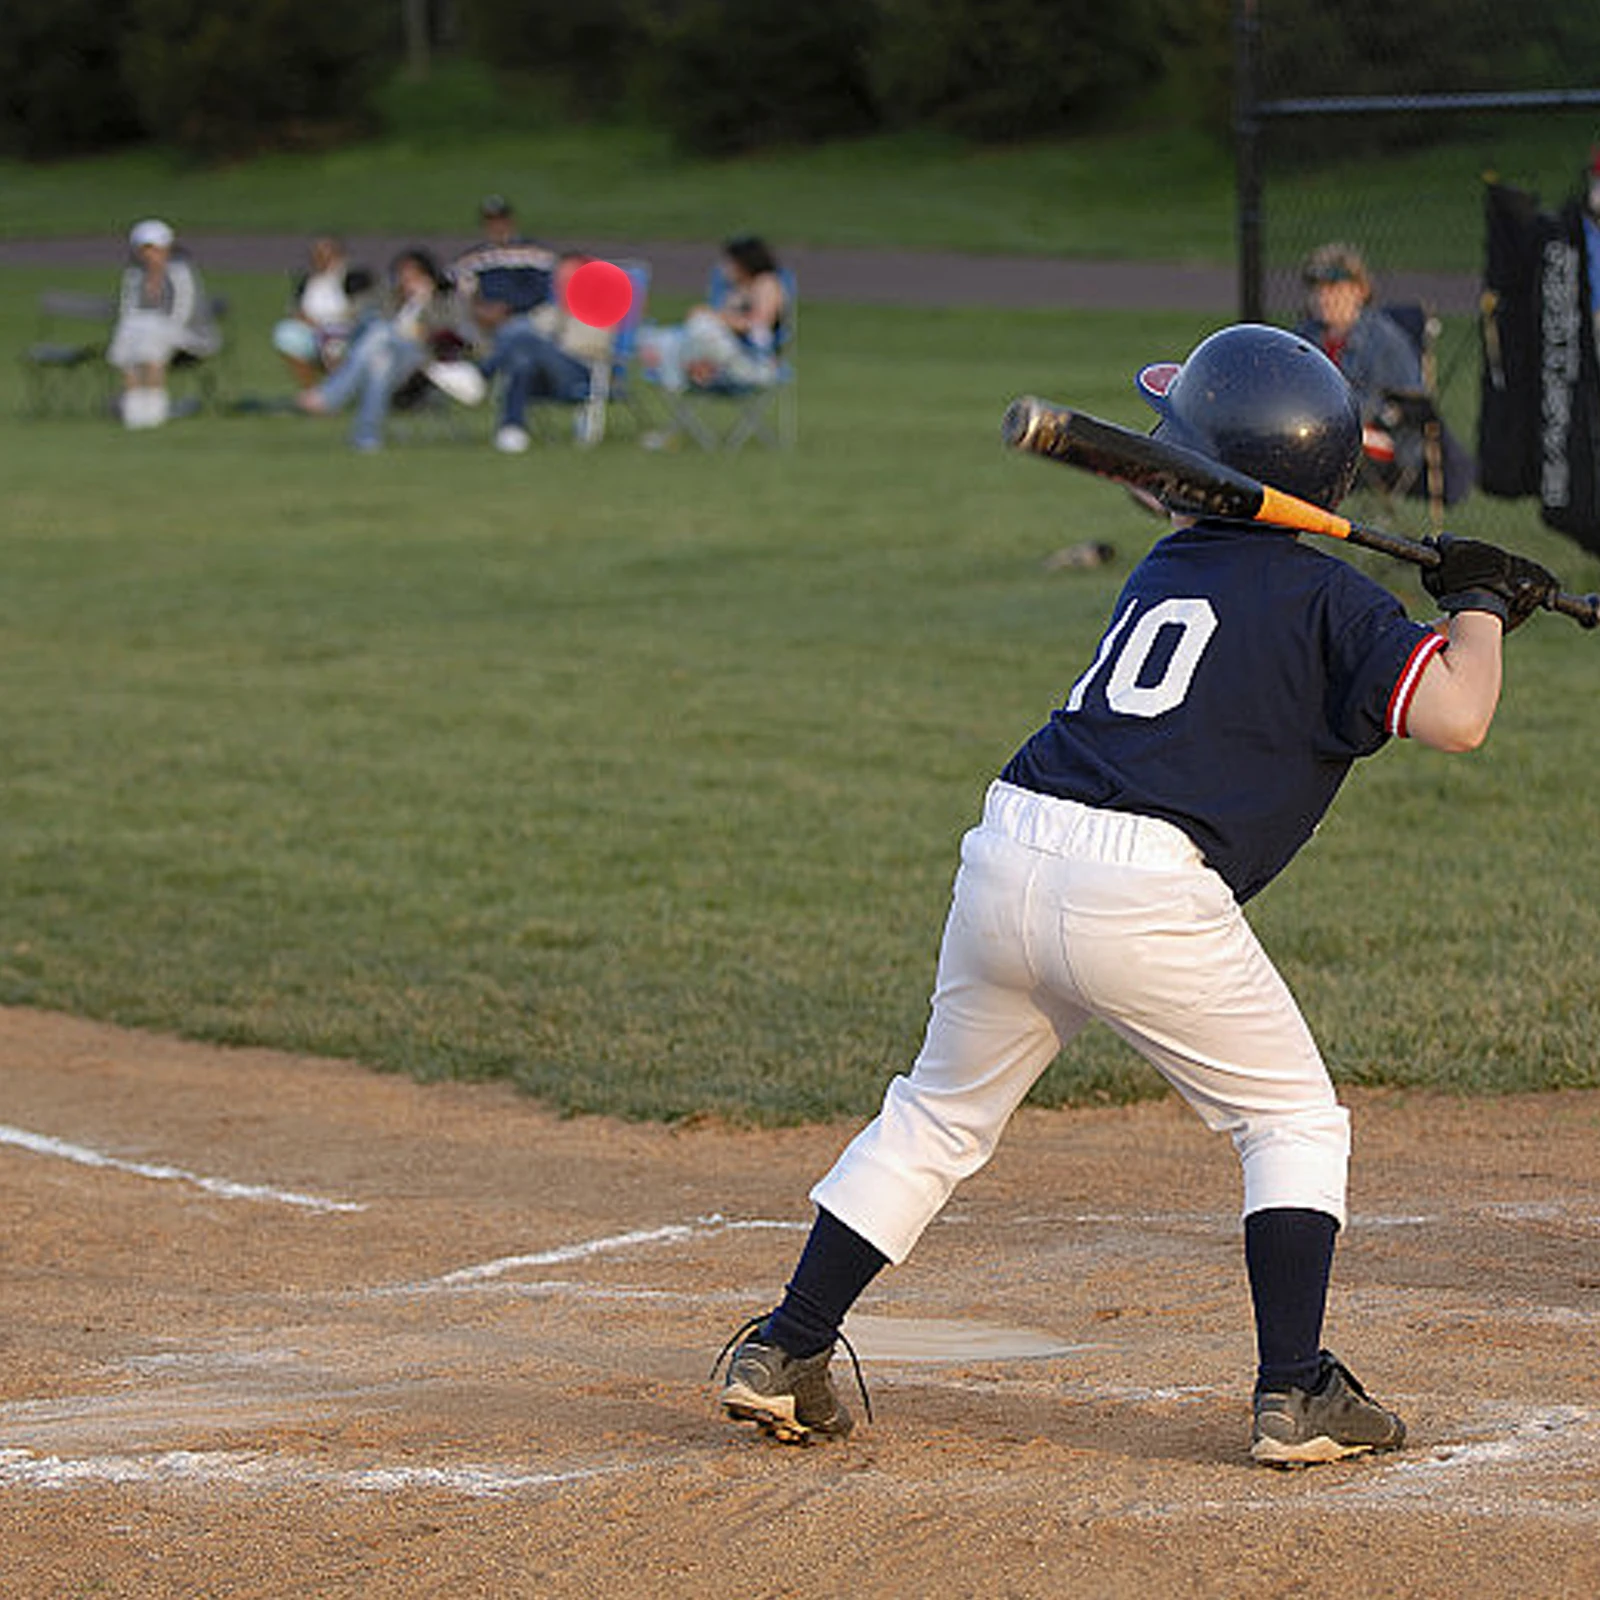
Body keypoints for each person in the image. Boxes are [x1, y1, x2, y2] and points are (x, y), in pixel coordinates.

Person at [715, 323, 1559, 1467]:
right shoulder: (1332, 602)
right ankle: (1296, 1388)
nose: (1160, 467)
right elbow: (1458, 713)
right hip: (1143, 889)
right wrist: (1482, 607)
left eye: (1180, 451)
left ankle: (787, 1344)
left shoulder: (1176, 567)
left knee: (936, 1111)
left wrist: (1450, 598)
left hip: (1013, 842)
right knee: (1292, 1120)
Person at [1294, 241, 1471, 506]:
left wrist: (1342, 417)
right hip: (1316, 431)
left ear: (1359, 291)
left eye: (1334, 289)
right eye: (1316, 290)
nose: (1323, 298)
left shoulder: (1385, 339)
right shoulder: (1305, 336)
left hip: (1382, 443)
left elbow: (1411, 403)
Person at [295, 248, 463, 452]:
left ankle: (331, 396)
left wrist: (423, 301)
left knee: (381, 332)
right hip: (390, 361)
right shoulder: (390, 297)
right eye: (403, 275)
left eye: (413, 274)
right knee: (380, 361)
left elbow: (449, 333)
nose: (406, 279)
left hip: (421, 363)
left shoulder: (442, 301)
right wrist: (402, 301)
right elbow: (356, 312)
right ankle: (366, 439)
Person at [480, 252, 618, 453]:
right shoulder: (550, 312)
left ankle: (479, 375)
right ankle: (512, 429)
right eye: (560, 279)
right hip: (546, 378)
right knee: (522, 361)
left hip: (581, 375)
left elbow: (593, 348)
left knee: (526, 338)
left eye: (570, 278)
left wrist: (547, 345)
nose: (563, 284)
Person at [106, 219, 223, 430]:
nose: (150, 255)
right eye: (145, 250)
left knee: (151, 343)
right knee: (131, 340)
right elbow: (128, 309)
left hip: (187, 336)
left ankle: (153, 413)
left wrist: (155, 327)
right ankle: (134, 412)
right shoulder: (134, 275)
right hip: (142, 333)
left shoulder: (180, 273)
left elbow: (183, 311)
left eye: (155, 249)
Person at [639, 234, 787, 395]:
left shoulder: (766, 284)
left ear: (744, 262)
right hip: (721, 354)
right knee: (650, 336)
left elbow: (758, 326)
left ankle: (680, 368)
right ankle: (679, 363)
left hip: (752, 361)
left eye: (729, 262)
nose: (725, 267)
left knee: (701, 325)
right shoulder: (735, 289)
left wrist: (713, 317)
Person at [271, 235, 376, 389]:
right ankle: (312, 392)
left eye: (327, 254)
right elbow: (295, 309)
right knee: (285, 333)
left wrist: (334, 324)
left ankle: (336, 393)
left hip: (346, 330)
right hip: (312, 330)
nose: (321, 259)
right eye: (317, 255)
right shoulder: (308, 280)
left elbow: (365, 307)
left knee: (335, 345)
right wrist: (310, 323)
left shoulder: (355, 277)